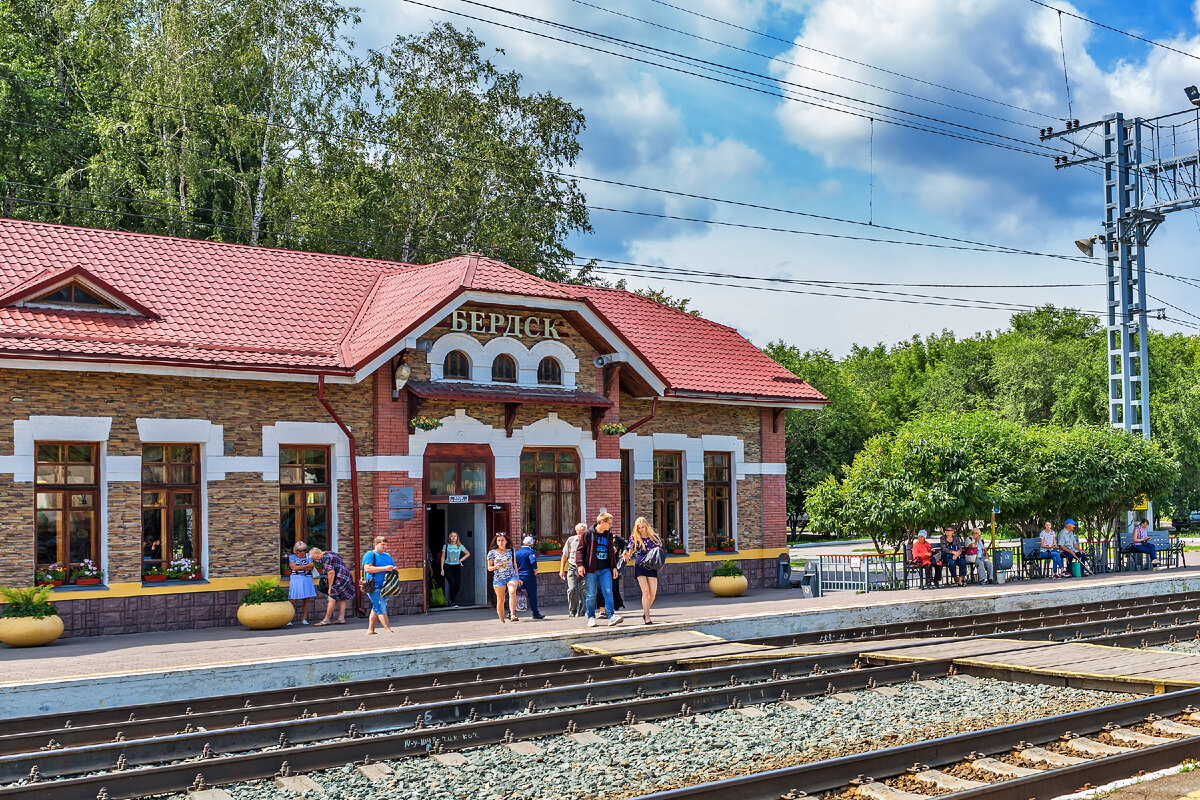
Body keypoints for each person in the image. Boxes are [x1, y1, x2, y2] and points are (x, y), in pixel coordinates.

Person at [575, 511, 622, 628]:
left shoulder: (608, 535)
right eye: (609, 523)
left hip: (605, 569)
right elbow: (580, 550)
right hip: (591, 569)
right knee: (591, 594)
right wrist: (580, 565)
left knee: (608, 592)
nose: (611, 525)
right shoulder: (588, 534)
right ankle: (591, 617)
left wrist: (614, 567)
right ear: (602, 522)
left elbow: (611, 552)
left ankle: (611, 616)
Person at [628, 516, 662, 624]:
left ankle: (645, 610)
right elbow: (630, 551)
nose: (641, 529)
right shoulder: (634, 537)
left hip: (652, 564)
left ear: (646, 526)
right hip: (640, 563)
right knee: (646, 591)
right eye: (639, 528)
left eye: (643, 527)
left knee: (653, 594)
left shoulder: (654, 537)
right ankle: (647, 617)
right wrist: (626, 555)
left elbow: (659, 550)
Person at [309, 546, 353, 625]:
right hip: (347, 576)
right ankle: (341, 618)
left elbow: (331, 572)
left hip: (339, 577)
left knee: (331, 597)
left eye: (314, 557)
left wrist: (330, 587)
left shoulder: (325, 558)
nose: (315, 560)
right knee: (342, 598)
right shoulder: (330, 553)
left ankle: (326, 620)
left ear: (316, 553)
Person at [362, 536, 396, 635]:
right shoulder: (370, 555)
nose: (384, 547)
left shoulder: (387, 556)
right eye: (382, 544)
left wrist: (394, 569)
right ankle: (388, 629)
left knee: (376, 607)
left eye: (386, 545)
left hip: (386, 585)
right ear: (376, 544)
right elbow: (368, 569)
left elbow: (392, 567)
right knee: (380, 606)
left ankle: (370, 630)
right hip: (374, 585)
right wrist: (385, 568)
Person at [487, 532, 521, 622]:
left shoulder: (511, 550)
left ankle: (512, 614)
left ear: (506, 541)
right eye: (498, 541)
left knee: (512, 591)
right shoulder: (492, 553)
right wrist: (496, 566)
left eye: (502, 540)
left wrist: (518, 577)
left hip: (511, 575)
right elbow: (489, 568)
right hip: (499, 578)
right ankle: (502, 620)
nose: (500, 542)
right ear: (496, 542)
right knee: (500, 600)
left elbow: (515, 565)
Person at [287, 541, 317, 625]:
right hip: (296, 578)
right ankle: (288, 619)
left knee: (307, 599)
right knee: (293, 598)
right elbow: (293, 568)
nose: (302, 552)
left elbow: (311, 567)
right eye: (299, 551)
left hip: (307, 578)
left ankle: (304, 619)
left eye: (304, 550)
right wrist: (306, 566)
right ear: (296, 550)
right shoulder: (292, 557)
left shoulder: (308, 556)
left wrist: (299, 567)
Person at [559, 523, 586, 617]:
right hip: (572, 566)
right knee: (572, 589)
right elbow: (565, 555)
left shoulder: (589, 541)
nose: (581, 535)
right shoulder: (571, 540)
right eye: (579, 533)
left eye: (583, 533)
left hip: (584, 568)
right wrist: (561, 569)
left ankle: (582, 611)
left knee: (584, 590)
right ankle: (572, 610)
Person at [515, 536, 544, 619]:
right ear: (531, 544)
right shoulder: (530, 551)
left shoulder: (517, 552)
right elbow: (533, 561)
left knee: (514, 594)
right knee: (532, 595)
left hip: (519, 576)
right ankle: (535, 613)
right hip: (529, 576)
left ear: (523, 543)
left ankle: (511, 612)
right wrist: (535, 569)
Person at [440, 531, 470, 608]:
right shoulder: (446, 546)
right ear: (449, 537)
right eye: (452, 536)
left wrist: (460, 560)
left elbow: (468, 554)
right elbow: (443, 557)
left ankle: (451, 598)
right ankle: (453, 601)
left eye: (455, 536)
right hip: (447, 566)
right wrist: (442, 569)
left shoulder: (460, 546)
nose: (453, 537)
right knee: (452, 584)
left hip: (456, 567)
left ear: (457, 537)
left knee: (457, 585)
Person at [611, 530, 628, 612]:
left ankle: (616, 605)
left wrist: (624, 551)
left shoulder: (616, 539)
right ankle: (604, 609)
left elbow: (625, 545)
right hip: (603, 565)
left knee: (614, 586)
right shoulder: (600, 538)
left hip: (615, 565)